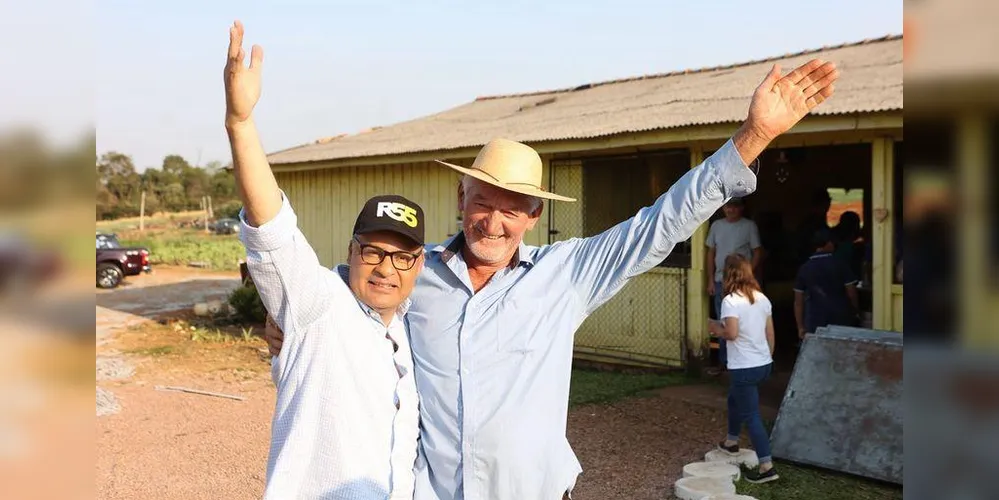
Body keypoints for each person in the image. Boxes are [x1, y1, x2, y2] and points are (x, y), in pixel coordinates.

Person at [260, 20, 841, 498]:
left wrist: (752, 137)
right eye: (483, 202)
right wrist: (287, 323)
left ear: (535, 216)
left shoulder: (565, 275)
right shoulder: (416, 274)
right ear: (460, 199)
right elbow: (338, 300)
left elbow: (659, 224)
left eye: (513, 209)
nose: (494, 222)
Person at [224, 22, 424, 499]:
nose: (385, 268)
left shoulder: (406, 329)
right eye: (373, 251)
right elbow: (273, 232)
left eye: (402, 257)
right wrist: (240, 124)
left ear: (420, 264)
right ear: (351, 252)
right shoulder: (318, 305)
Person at [709, 254, 777, 483]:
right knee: (734, 398)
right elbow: (770, 334)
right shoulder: (762, 298)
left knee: (752, 415)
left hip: (744, 367)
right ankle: (731, 441)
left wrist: (715, 328)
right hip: (764, 363)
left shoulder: (730, 301)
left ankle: (767, 466)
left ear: (727, 274)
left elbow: (731, 333)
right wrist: (767, 356)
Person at [706, 197, 763, 373]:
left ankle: (744, 361)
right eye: (727, 206)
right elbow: (710, 253)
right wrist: (709, 279)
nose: (731, 210)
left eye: (735, 207)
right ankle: (724, 362)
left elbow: (757, 252)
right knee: (724, 321)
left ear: (742, 208)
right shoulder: (716, 226)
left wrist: (747, 274)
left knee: (743, 321)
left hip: (741, 282)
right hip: (720, 280)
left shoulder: (749, 226)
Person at [793, 228, 860, 341]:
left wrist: (800, 327)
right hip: (841, 318)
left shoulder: (804, 268)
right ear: (829, 243)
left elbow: (798, 301)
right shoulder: (840, 263)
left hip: (814, 319)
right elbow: (851, 292)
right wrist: (855, 311)